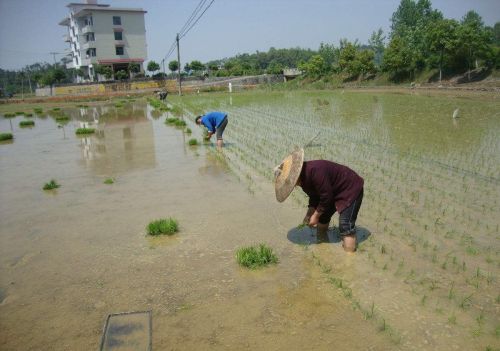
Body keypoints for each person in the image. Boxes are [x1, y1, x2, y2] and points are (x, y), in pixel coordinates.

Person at [274, 148, 364, 252]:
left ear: (295, 175)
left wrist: (315, 215)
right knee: (323, 218)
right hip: (333, 190)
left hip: (350, 189)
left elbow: (326, 197)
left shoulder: (315, 171)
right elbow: (314, 197)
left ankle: (349, 259)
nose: (293, 185)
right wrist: (309, 214)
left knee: (345, 226)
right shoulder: (303, 180)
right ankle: (321, 243)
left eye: (291, 182)